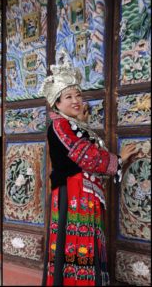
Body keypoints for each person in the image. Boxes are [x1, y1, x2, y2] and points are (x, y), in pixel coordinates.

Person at [40, 51, 138, 286]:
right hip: (73, 191)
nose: (76, 101)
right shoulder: (60, 125)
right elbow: (85, 156)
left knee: (85, 241)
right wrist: (119, 159)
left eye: (78, 95)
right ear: (57, 104)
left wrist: (82, 124)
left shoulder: (69, 124)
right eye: (69, 97)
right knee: (77, 242)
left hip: (83, 191)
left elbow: (81, 146)